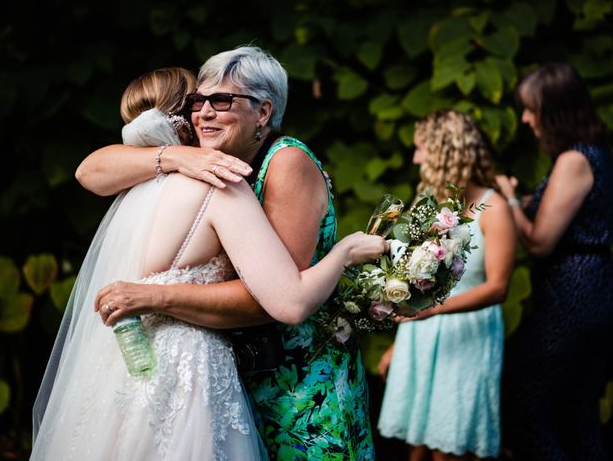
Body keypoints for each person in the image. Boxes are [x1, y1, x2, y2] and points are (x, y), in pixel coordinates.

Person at [31, 66, 387, 460]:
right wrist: (345, 253)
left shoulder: (138, 187)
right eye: (198, 102)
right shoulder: (220, 182)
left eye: (219, 101)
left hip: (138, 367)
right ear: (185, 117)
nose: (206, 112)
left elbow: (88, 172)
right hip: (193, 368)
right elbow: (290, 301)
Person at [377, 110, 517, 460]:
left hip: (468, 335)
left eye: (421, 149)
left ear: (445, 153)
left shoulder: (494, 209)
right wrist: (401, 341)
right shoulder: (434, 203)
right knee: (417, 442)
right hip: (422, 334)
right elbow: (418, 280)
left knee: (447, 444)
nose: (416, 158)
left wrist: (429, 313)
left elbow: (499, 288)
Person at [496, 62, 613, 461]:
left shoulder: (575, 161)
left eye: (532, 109)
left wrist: (506, 197)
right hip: (591, 289)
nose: (526, 118)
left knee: (527, 409)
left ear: (557, 110)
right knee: (577, 412)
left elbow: (541, 240)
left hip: (573, 292)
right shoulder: (589, 154)